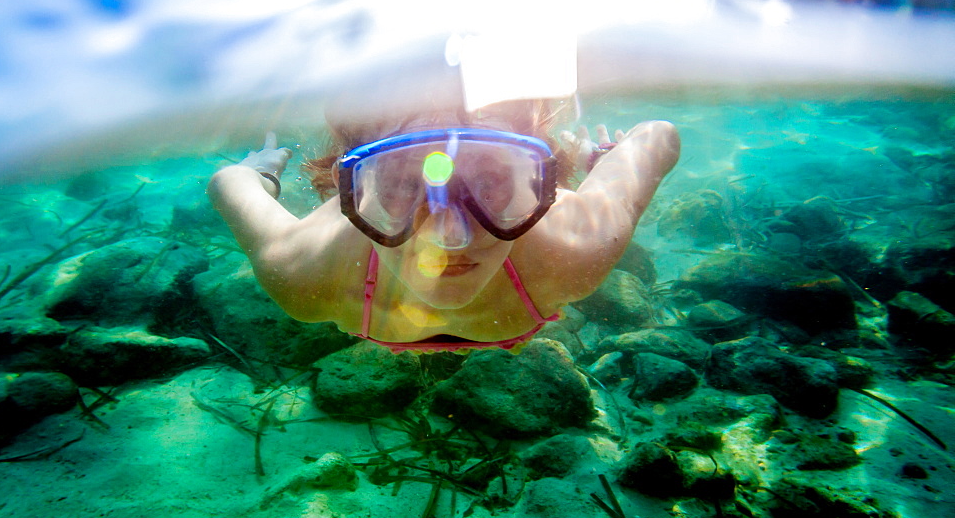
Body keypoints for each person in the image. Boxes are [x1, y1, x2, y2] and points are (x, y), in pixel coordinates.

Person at [207, 97, 679, 353]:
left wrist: (611, 168)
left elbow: (658, 136)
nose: (450, 237)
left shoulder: (575, 245)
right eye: (400, 184)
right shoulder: (302, 269)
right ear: (349, 190)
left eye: (491, 180)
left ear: (540, 182)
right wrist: (262, 170)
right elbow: (231, 183)